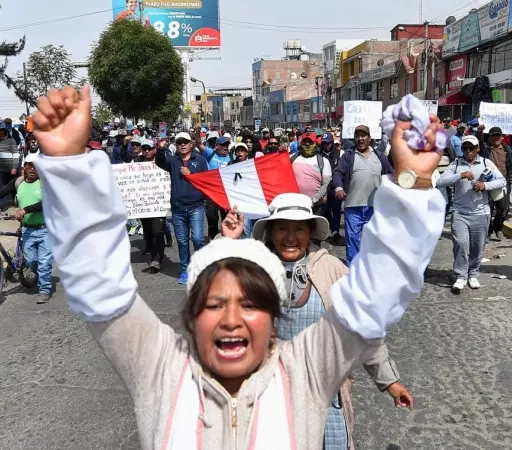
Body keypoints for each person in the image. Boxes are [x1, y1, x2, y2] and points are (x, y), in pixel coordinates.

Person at [31, 85, 444, 450]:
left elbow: (375, 297)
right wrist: (68, 164)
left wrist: (414, 182)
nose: (232, 320)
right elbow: (102, 291)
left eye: (249, 304)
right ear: (190, 317)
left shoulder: (305, 370)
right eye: (213, 305)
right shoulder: (160, 369)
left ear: (272, 314)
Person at [223, 193, 414, 449]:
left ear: (310, 231)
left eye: (299, 228)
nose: (290, 237)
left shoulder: (331, 271)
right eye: (282, 228)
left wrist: (390, 381)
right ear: (270, 231)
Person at [436, 135, 506, 291]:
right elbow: (440, 182)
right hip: (460, 212)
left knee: (478, 246)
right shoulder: (455, 164)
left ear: (477, 149)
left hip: (481, 213)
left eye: (471, 148)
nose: (468, 152)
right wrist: (459, 175)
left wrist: (485, 185)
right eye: (465, 148)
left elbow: (502, 181)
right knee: (460, 243)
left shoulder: (487, 163)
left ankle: (473, 273)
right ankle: (460, 275)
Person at [332, 125, 393, 265]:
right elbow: (337, 173)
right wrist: (339, 188)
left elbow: (390, 174)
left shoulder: (379, 156)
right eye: (357, 136)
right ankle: (352, 269)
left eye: (363, 136)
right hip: (353, 205)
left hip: (374, 207)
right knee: (352, 239)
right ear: (354, 139)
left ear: (369, 138)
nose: (360, 139)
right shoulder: (348, 156)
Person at [156, 131, 209, 284]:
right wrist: (160, 149)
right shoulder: (172, 161)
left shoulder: (199, 160)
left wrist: (190, 174)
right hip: (178, 208)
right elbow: (160, 162)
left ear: (191, 144)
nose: (183, 145)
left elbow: (205, 179)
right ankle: (185, 270)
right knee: (183, 242)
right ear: (176, 145)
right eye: (179, 142)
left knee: (198, 239)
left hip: (196, 206)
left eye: (185, 142)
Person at [0, 153, 52, 303]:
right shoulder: (18, 183)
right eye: (30, 165)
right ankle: (34, 273)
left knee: (44, 262)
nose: (33, 169)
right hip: (27, 230)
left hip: (45, 230)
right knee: (30, 262)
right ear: (25, 167)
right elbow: (2, 192)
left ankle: (44, 290)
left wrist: (25, 210)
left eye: (36, 166)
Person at [477, 126, 512, 240]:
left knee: (503, 209)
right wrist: (479, 132)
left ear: (502, 137)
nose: (496, 138)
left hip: (503, 184)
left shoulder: (507, 150)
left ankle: (498, 228)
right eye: (493, 135)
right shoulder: (485, 149)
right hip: (488, 184)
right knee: (488, 209)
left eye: (498, 135)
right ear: (489, 137)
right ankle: (488, 231)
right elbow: (479, 143)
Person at [132, 139, 168, 273]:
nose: (147, 151)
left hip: (159, 203)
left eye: (150, 148)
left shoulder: (162, 161)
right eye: (144, 148)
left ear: (154, 149)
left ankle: (156, 260)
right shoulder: (136, 162)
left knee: (157, 231)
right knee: (148, 232)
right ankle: (157, 255)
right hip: (143, 204)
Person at [291, 131, 332, 211]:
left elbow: (326, 184)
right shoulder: (292, 158)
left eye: (310, 142)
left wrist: (314, 200)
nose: (307, 144)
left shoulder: (323, 161)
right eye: (305, 141)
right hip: (295, 205)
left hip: (316, 206)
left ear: (315, 143)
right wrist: (280, 150)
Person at [318, 132, 343, 243]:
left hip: (335, 187)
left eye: (328, 143)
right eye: (324, 143)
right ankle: (323, 231)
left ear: (332, 143)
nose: (326, 145)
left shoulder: (339, 154)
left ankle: (335, 231)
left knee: (336, 209)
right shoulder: (318, 156)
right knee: (324, 210)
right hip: (323, 188)